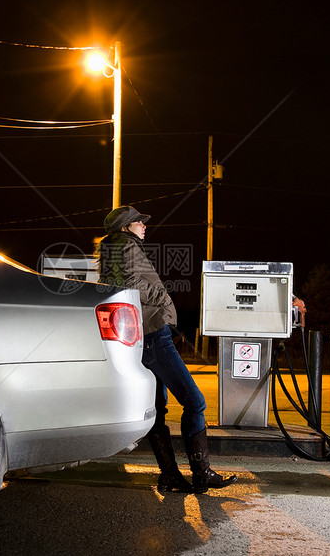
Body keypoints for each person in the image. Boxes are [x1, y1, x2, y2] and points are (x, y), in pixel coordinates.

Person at [98, 205, 237, 493]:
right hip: (154, 335)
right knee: (195, 402)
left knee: (159, 410)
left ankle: (171, 475)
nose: (144, 225)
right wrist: (162, 294)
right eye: (139, 222)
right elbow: (129, 283)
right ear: (126, 226)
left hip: (142, 334)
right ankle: (202, 473)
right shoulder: (126, 247)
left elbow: (112, 284)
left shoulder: (111, 249)